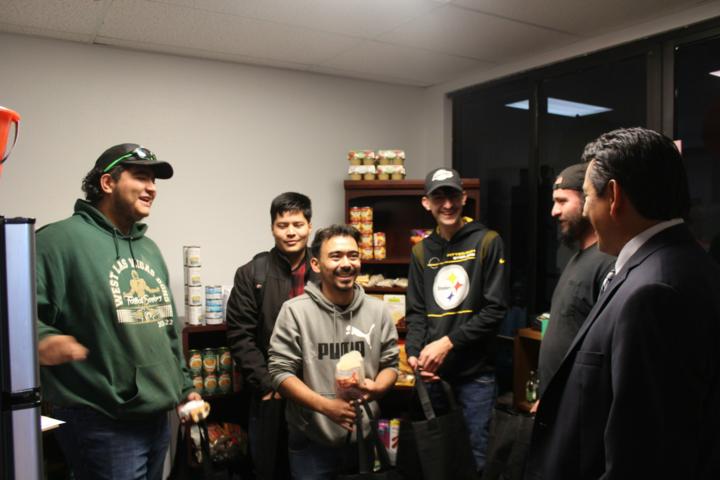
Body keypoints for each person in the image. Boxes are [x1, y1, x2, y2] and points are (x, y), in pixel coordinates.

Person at [525, 128, 720, 479]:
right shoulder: (676, 263)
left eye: (587, 196)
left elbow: (645, 455)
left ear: (614, 197)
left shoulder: (655, 290)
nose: (586, 210)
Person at [36, 143, 200, 480]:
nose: (151, 188)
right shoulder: (57, 242)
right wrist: (43, 340)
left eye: (154, 180)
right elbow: (17, 317)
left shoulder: (148, 248)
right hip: (100, 420)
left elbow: (167, 329)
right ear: (108, 183)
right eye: (140, 177)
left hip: (157, 416)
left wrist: (184, 388)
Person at [268, 224, 399, 480]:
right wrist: (326, 406)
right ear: (316, 264)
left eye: (353, 255)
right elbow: (279, 373)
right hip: (311, 443)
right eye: (336, 256)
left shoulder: (379, 310)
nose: (346, 264)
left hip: (363, 440)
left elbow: (391, 365)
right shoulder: (295, 311)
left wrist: (378, 388)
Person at [405, 167, 509, 474]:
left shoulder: (488, 241)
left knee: (477, 458)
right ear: (426, 203)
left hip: (476, 376)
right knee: (438, 459)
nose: (447, 205)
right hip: (434, 377)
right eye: (439, 197)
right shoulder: (421, 251)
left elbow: (495, 310)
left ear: (464, 198)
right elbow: (416, 312)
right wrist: (414, 353)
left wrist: (447, 343)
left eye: (452, 196)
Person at [225, 192, 317, 480]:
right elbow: (240, 335)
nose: (291, 232)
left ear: (309, 226)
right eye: (282, 225)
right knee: (270, 467)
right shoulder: (252, 273)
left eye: (298, 224)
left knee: (317, 466)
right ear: (272, 228)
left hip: (318, 389)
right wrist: (267, 384)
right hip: (271, 391)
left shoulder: (323, 269)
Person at [536, 163, 614, 398]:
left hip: (578, 404)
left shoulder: (608, 263)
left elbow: (603, 350)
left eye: (562, 201)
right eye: (554, 202)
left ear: (587, 201)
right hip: (557, 402)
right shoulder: (576, 260)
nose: (554, 211)